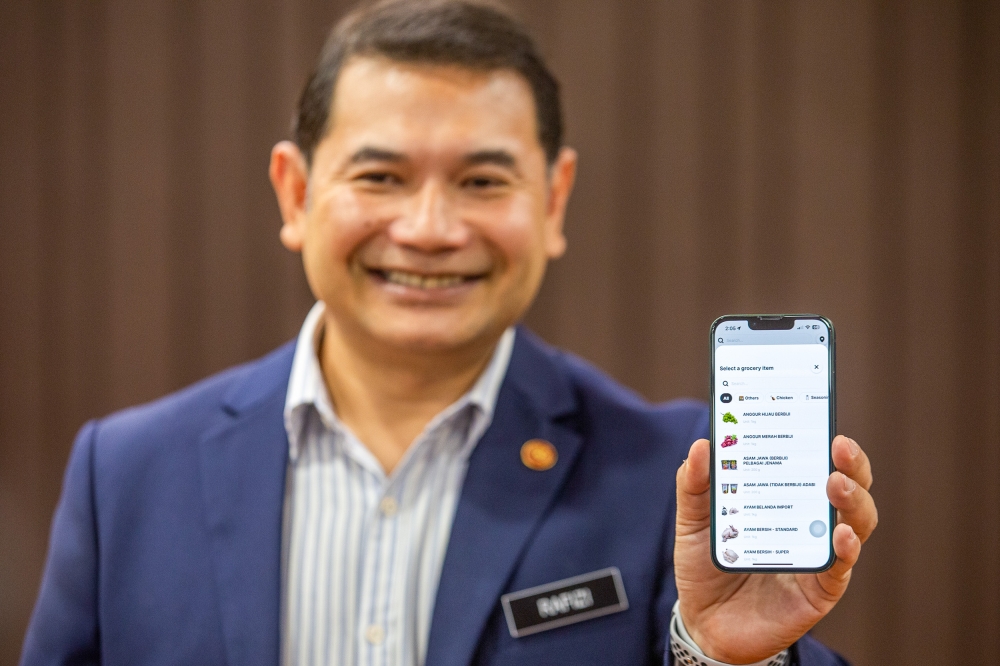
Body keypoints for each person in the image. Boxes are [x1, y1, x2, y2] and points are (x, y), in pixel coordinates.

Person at [21, 1, 877, 664]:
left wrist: (732, 658)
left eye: (481, 181)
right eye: (380, 176)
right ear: (296, 193)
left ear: (553, 200)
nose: (429, 229)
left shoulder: (674, 477)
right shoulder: (126, 477)